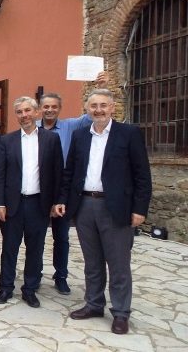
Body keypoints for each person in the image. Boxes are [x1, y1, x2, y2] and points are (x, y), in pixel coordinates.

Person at [54, 89, 151, 335]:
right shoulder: (79, 136)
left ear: (112, 107)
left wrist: (139, 209)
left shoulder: (129, 134)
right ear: (87, 109)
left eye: (103, 105)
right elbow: (69, 172)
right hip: (85, 205)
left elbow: (142, 174)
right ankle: (94, 304)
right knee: (92, 261)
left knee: (118, 263)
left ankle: (121, 312)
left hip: (115, 207)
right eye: (94, 106)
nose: (98, 110)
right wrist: (63, 199)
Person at [37, 71, 108, 295]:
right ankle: (34, 274)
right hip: (38, 191)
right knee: (36, 237)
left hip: (62, 192)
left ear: (59, 109)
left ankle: (61, 276)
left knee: (61, 237)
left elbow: (92, 115)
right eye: (46, 107)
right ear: (40, 109)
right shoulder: (32, 128)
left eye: (54, 107)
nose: (49, 110)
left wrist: (99, 88)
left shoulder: (71, 126)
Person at [0, 96, 63, 308]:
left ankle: (30, 289)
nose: (24, 115)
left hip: (39, 204)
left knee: (35, 249)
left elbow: (58, 173)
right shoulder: (7, 141)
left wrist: (57, 201)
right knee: (9, 248)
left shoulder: (51, 139)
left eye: (27, 110)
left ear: (36, 112)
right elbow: (0, 175)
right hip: (13, 204)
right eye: (19, 112)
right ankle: (6, 287)